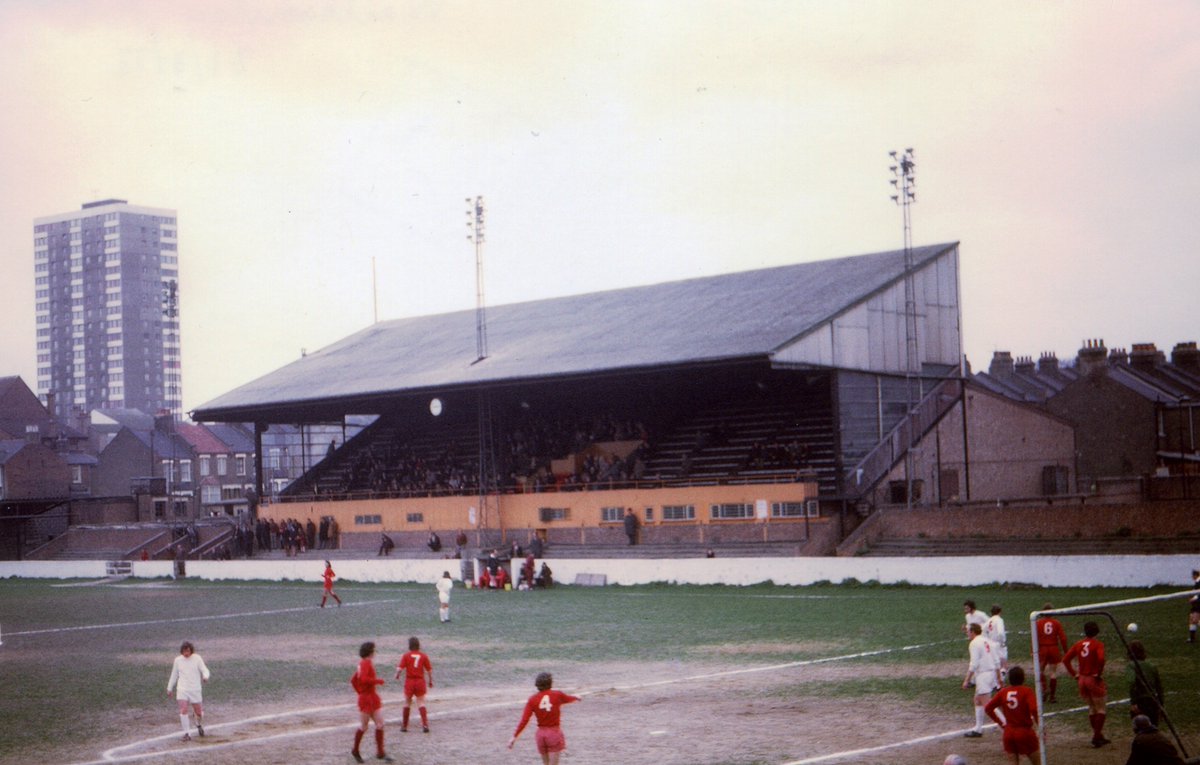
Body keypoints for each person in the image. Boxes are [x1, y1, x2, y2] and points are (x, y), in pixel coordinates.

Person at [507, 672, 580, 765]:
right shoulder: (557, 695)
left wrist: (514, 737)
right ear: (550, 683)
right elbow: (568, 699)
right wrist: (577, 697)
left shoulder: (532, 699)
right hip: (553, 733)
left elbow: (524, 720)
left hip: (540, 735)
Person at [1064, 620, 1110, 748]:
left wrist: (1074, 674)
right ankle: (1096, 736)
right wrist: (1099, 673)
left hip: (1082, 680)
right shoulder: (1098, 644)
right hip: (1092, 679)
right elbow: (1101, 659)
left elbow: (1065, 659)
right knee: (1101, 708)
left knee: (1092, 708)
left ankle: (1099, 736)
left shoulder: (1079, 644)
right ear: (1097, 631)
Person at [984, 665, 1039, 764]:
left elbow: (988, 708)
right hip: (1025, 732)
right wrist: (1039, 724)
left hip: (1008, 733)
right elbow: (1034, 709)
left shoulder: (1003, 692)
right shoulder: (1027, 691)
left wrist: (1001, 723)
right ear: (1023, 678)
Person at [350, 641, 393, 763]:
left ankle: (380, 752)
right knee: (364, 726)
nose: (375, 652)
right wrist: (377, 681)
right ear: (370, 652)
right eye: (374, 650)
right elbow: (363, 679)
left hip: (371, 697)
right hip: (367, 698)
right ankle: (355, 750)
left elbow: (353, 680)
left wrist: (360, 692)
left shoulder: (362, 663)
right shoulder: (366, 663)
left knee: (380, 724)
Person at [962, 622, 1002, 737]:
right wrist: (998, 677)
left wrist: (967, 680)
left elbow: (974, 664)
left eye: (968, 631)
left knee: (988, 704)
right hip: (991, 674)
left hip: (983, 675)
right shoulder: (987, 641)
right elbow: (996, 660)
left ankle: (1006, 725)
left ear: (973, 632)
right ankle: (978, 729)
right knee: (978, 700)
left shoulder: (974, 643)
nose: (967, 634)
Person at [167, 641, 211, 742]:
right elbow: (174, 675)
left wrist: (205, 677)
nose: (186, 653)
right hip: (182, 689)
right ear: (181, 651)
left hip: (195, 689)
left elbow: (205, 670)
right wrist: (169, 688)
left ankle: (198, 724)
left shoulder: (197, 658)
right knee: (183, 710)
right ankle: (187, 734)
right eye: (184, 651)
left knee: (199, 713)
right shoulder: (178, 660)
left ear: (191, 650)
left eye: (188, 651)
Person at [395, 636, 434, 733]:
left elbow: (400, 668)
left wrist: (397, 675)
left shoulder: (406, 656)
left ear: (409, 646)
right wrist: (430, 681)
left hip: (410, 681)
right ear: (418, 645)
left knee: (407, 702)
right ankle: (425, 725)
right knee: (421, 702)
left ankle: (404, 726)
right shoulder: (423, 656)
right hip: (420, 681)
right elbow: (429, 670)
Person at [1126, 640, 1165, 726]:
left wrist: (1133, 703)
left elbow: (1132, 683)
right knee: (1153, 727)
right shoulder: (1152, 666)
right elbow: (1159, 687)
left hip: (1140, 702)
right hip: (1153, 702)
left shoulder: (1131, 666)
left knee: (1140, 728)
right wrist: (1161, 706)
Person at [1035, 603, 1068, 702]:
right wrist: (1066, 650)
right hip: (1053, 648)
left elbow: (1034, 637)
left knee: (1040, 670)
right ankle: (1052, 697)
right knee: (1053, 673)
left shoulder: (1038, 623)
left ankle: (1045, 689)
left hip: (1042, 648)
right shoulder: (1056, 623)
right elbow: (1063, 638)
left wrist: (1033, 650)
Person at [985, 604, 1008, 671]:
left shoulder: (989, 621)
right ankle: (1002, 676)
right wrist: (1002, 642)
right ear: (999, 612)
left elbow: (984, 631)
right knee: (1003, 666)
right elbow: (1000, 633)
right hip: (999, 645)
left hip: (991, 644)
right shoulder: (999, 620)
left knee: (995, 665)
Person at [1189, 569, 1200, 643]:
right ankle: (1192, 639)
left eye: (1192, 575)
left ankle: (1192, 639)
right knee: (1191, 619)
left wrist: (1193, 599)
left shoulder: (1199, 582)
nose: (1192, 577)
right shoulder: (1197, 582)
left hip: (1198, 603)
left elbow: (1198, 594)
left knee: (1195, 620)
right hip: (1195, 603)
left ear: (1195, 575)